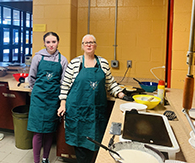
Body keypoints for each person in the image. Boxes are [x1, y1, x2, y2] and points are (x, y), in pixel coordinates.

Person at [57, 34, 125, 163]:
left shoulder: (103, 63)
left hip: (95, 113)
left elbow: (110, 83)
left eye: (92, 42)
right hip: (77, 112)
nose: (89, 44)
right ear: (82, 46)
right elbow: (65, 85)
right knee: (80, 145)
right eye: (86, 42)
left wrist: (121, 94)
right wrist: (62, 103)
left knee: (95, 143)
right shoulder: (75, 63)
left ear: (95, 45)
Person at [27, 32, 68, 163]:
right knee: (38, 131)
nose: (51, 45)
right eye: (48, 42)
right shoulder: (37, 58)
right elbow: (31, 78)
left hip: (53, 100)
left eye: (54, 42)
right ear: (44, 43)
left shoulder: (63, 60)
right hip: (38, 99)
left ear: (58, 42)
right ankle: (36, 161)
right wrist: (37, 91)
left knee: (49, 131)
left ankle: (45, 158)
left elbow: (63, 82)